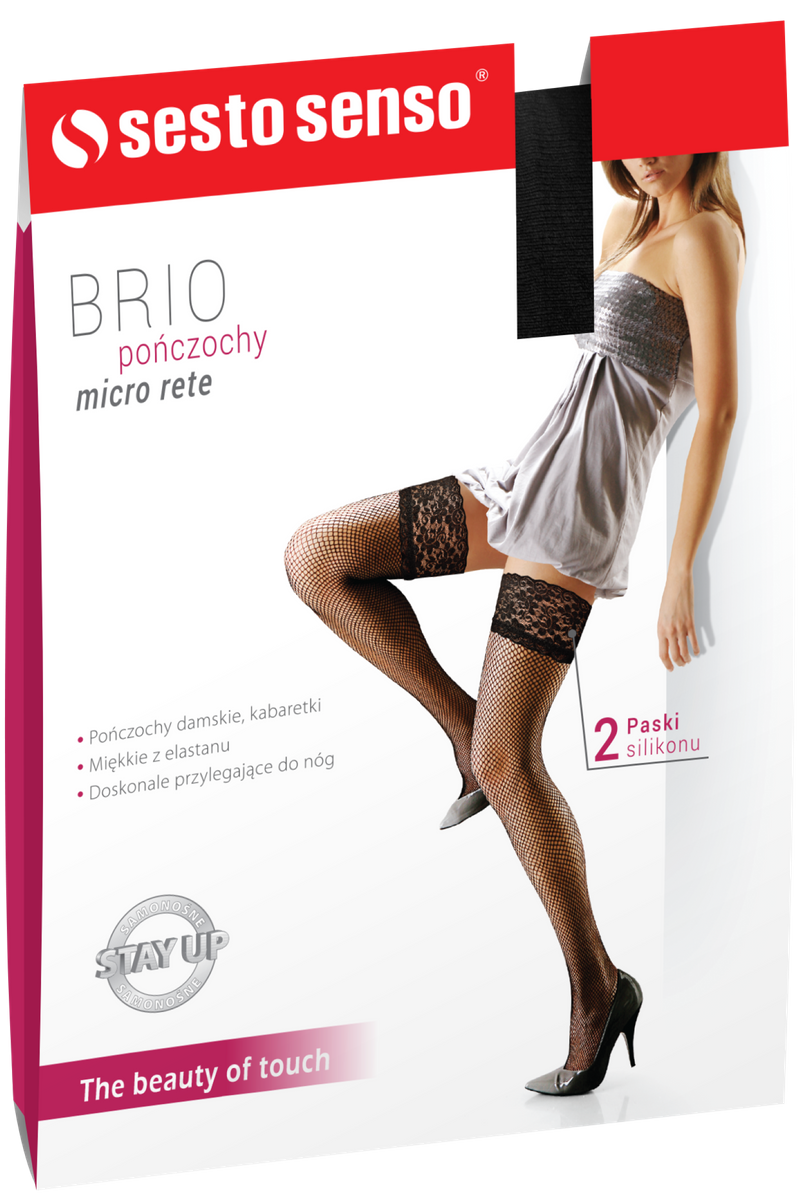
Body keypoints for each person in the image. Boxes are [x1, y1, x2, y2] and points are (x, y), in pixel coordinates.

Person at [284, 153, 745, 1095]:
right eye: (629, 132)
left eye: (665, 127)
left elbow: (722, 408)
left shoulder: (707, 235)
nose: (646, 149)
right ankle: (461, 729)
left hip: (580, 509)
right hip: (528, 474)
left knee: (510, 759)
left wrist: (680, 571)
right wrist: (552, 138)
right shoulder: (629, 225)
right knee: (316, 555)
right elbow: (549, 305)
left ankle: (596, 988)